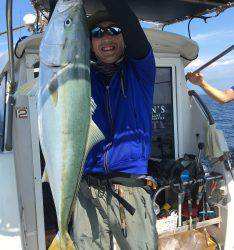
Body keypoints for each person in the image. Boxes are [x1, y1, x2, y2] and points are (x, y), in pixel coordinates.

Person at [71, 0, 158, 249]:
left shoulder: (141, 71)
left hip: (130, 188)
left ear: (124, 37)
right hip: (87, 190)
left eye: (114, 30)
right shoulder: (81, 78)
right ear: (89, 43)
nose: (105, 38)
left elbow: (131, 24)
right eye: (97, 33)